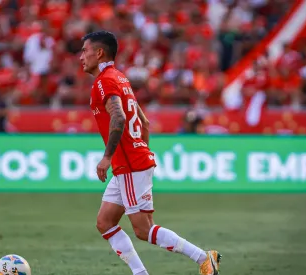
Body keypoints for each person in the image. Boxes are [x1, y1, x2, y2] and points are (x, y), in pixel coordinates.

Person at [80, 31, 221, 275]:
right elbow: (143, 122)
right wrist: (140, 149)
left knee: (144, 229)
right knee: (105, 222)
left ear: (99, 52)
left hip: (130, 164)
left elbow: (119, 117)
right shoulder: (120, 78)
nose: (81, 56)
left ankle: (203, 257)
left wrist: (108, 157)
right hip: (131, 163)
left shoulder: (104, 81)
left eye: (85, 50)